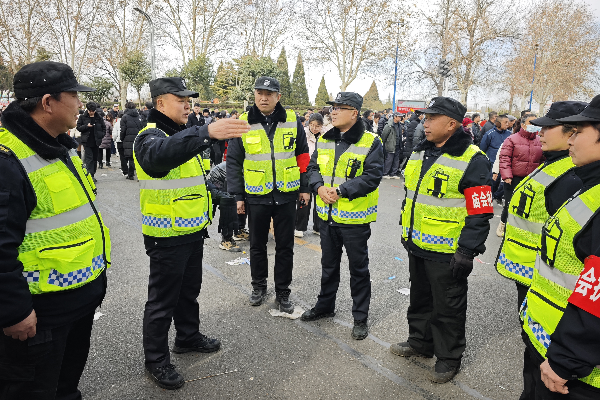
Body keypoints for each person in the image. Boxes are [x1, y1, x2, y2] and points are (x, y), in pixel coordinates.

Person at [0, 61, 111, 399]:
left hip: (76, 304)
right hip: (39, 316)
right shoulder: (8, 160)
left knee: (65, 387)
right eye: (74, 95)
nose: (80, 103)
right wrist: (14, 311)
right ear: (48, 102)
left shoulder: (59, 146)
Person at [133, 77, 248, 390]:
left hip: (192, 231)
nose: (188, 106)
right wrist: (205, 132)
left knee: (188, 292)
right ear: (159, 103)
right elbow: (158, 158)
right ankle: (156, 360)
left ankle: (187, 336)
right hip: (166, 235)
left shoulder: (181, 134)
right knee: (162, 301)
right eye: (180, 100)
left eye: (189, 101)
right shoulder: (150, 136)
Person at [390, 97, 493, 383]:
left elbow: (481, 212)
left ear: (451, 124)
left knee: (448, 307)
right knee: (420, 299)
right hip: (416, 243)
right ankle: (420, 342)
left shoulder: (473, 159)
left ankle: (448, 358)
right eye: (425, 118)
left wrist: (467, 250)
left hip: (448, 251)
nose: (425, 123)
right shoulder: (420, 151)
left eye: (432, 118)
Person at [518, 95, 600, 399]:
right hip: (549, 336)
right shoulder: (588, 182)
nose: (571, 140)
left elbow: (595, 296)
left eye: (578, 132)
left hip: (573, 370)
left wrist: (566, 359)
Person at [494, 101, 585, 330]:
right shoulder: (552, 163)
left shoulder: (573, 176)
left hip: (548, 280)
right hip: (532, 271)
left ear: (573, 132)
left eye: (548, 128)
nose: (540, 133)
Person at [301, 92, 383, 340]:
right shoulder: (326, 139)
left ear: (354, 113)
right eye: (332, 108)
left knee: (358, 270)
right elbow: (313, 168)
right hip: (327, 217)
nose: (333, 112)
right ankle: (325, 306)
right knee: (328, 266)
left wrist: (340, 191)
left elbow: (372, 177)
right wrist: (318, 187)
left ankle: (360, 317)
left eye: (339, 108)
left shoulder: (371, 141)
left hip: (354, 220)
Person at [226, 76, 310, 313]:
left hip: (287, 194)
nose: (264, 98)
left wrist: (305, 188)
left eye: (269, 94)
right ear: (254, 95)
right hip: (256, 195)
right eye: (259, 93)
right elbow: (233, 161)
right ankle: (259, 286)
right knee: (257, 245)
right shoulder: (243, 123)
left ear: (278, 97)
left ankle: (283, 292)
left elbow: (303, 156)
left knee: (285, 246)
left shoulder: (292, 120)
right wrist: (238, 195)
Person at [496, 113, 543, 237]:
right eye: (531, 123)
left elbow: (543, 160)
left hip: (532, 180)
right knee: (510, 204)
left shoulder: (540, 141)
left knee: (527, 206)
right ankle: (503, 224)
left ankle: (519, 229)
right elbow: (504, 158)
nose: (534, 126)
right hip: (514, 179)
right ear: (523, 125)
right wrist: (507, 176)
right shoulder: (512, 139)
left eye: (536, 123)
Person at [295, 112, 324, 237]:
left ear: (321, 126)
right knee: (304, 198)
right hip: (305, 169)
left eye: (317, 126)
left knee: (320, 199)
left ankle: (318, 227)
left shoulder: (325, 137)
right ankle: (300, 227)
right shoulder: (303, 135)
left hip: (320, 170)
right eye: (312, 125)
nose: (314, 128)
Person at [76, 101, 104, 182]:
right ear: (87, 110)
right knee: (89, 158)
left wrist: (101, 135)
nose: (92, 112)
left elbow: (103, 127)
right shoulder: (82, 117)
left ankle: (93, 174)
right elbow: (78, 127)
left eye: (93, 111)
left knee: (95, 158)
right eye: (90, 111)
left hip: (96, 141)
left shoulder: (99, 117)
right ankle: (90, 175)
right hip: (87, 141)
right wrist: (86, 126)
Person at [120, 101, 144, 180]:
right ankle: (134, 173)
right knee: (136, 157)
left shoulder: (124, 117)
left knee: (130, 157)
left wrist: (122, 138)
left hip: (128, 138)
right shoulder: (139, 116)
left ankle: (131, 174)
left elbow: (123, 130)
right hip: (138, 138)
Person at [381, 112, 403, 179]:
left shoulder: (399, 125)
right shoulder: (389, 125)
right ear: (395, 117)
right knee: (389, 159)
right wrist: (385, 144)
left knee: (396, 160)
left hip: (397, 145)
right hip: (390, 145)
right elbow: (384, 135)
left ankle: (393, 173)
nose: (400, 118)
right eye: (399, 117)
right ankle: (385, 173)